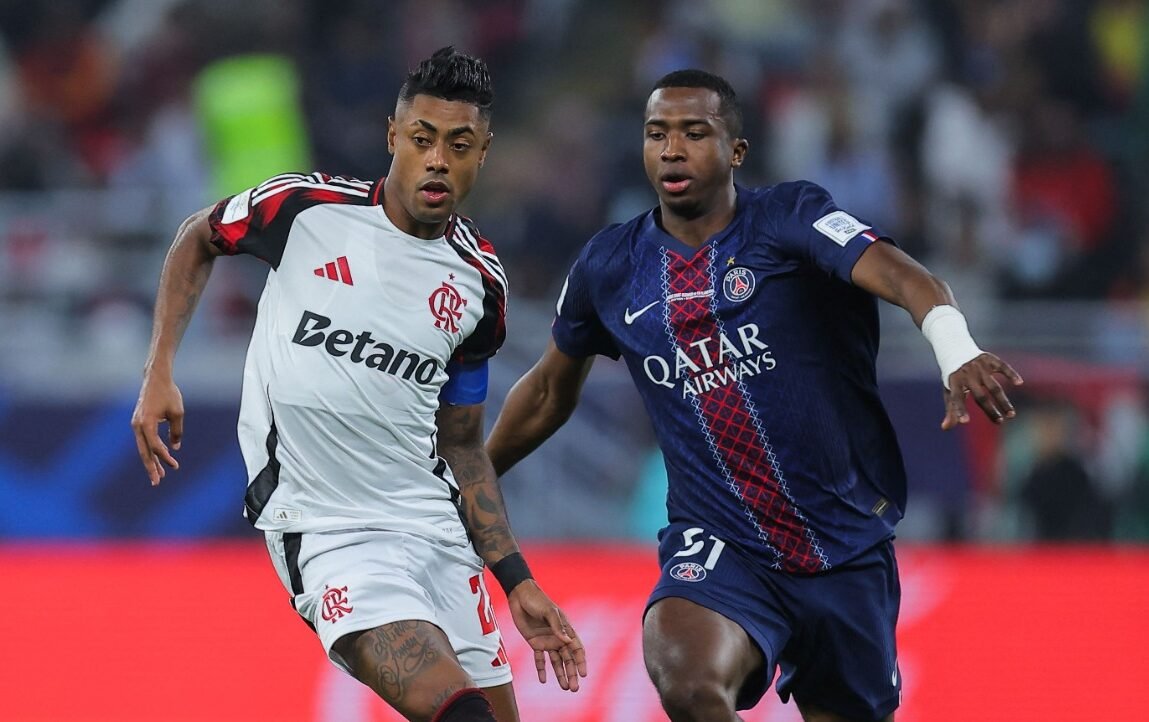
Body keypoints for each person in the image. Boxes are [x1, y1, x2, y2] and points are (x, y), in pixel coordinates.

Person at [486, 69, 1023, 722]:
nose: (672, 149)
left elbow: (904, 275)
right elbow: (546, 391)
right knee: (686, 679)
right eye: (657, 134)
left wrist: (954, 347)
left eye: (694, 133)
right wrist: (471, 475)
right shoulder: (609, 266)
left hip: (843, 546)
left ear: (735, 151)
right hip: (720, 544)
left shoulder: (790, 219)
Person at [130, 47, 586, 722]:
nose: (438, 160)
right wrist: (159, 368)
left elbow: (461, 443)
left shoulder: (478, 281)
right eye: (422, 140)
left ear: (482, 153)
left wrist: (514, 579)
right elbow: (199, 236)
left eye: (458, 145)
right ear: (392, 138)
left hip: (433, 532)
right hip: (328, 531)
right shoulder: (305, 209)